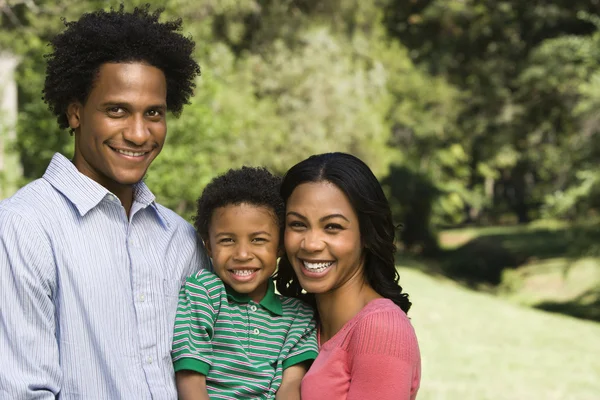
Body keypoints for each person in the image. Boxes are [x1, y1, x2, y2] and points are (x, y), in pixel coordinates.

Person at [0, 5, 209, 399]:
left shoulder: (182, 240)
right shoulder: (22, 228)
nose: (138, 133)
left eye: (154, 113)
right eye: (117, 110)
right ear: (75, 112)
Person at [275, 152, 421, 400]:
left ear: (366, 235)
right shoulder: (297, 323)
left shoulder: (382, 329)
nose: (311, 244)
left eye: (332, 227)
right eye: (298, 224)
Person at [172, 167, 319, 400]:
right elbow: (190, 379)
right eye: (227, 240)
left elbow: (291, 386)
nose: (242, 254)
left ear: (280, 245)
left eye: (258, 240)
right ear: (209, 246)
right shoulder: (203, 292)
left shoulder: (299, 316)